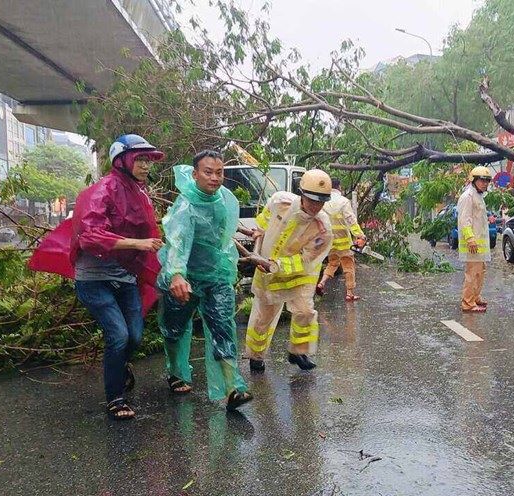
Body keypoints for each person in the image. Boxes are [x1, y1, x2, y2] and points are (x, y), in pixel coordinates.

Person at [30, 134, 165, 420]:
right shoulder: (102, 191)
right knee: (118, 335)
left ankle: (119, 366)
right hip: (94, 279)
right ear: (122, 160)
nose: (145, 165)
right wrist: (136, 244)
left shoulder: (139, 193)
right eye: (139, 159)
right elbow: (90, 236)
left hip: (125, 277)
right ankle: (116, 399)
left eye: (148, 160)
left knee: (135, 336)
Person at [156, 151, 252, 410]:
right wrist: (176, 274)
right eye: (208, 172)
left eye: (219, 172)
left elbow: (224, 232)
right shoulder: (185, 205)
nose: (214, 177)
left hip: (216, 276)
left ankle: (233, 387)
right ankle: (176, 373)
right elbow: (178, 240)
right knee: (174, 328)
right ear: (195, 173)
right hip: (184, 277)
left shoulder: (223, 199)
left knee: (223, 325)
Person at [244, 169, 334, 372]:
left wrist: (276, 266)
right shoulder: (280, 202)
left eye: (321, 202)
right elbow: (265, 218)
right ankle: (256, 356)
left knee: (304, 312)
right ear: (301, 193)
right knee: (262, 317)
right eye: (312, 200)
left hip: (300, 276)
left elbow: (307, 260)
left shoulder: (323, 229)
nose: (315, 206)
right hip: (268, 273)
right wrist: (259, 230)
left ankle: (298, 352)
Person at [316, 178, 366, 301]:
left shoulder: (324, 201)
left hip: (329, 240)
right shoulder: (343, 201)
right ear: (339, 187)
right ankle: (349, 293)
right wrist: (360, 235)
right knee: (348, 264)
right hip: (343, 240)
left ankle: (321, 283)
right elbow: (350, 220)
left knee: (332, 263)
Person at [458, 166, 492, 313]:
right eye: (482, 180)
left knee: (480, 272)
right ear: (474, 180)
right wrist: (470, 239)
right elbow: (464, 220)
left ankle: (475, 297)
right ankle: (468, 303)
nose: (485, 183)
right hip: (472, 244)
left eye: (487, 180)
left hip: (480, 245)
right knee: (472, 274)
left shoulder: (478, 196)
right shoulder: (468, 197)